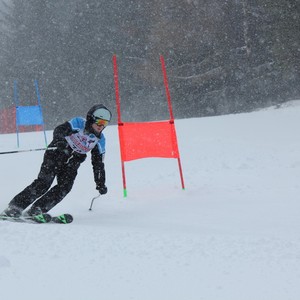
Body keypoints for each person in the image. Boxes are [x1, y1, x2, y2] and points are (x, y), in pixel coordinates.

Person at [1, 104, 112, 218]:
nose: (101, 126)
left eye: (105, 123)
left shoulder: (100, 140)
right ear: (91, 119)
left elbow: (98, 164)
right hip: (56, 154)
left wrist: (100, 183)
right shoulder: (79, 123)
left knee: (64, 187)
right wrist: (60, 141)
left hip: (72, 162)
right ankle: (15, 207)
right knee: (44, 183)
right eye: (99, 122)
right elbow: (60, 129)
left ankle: (37, 209)